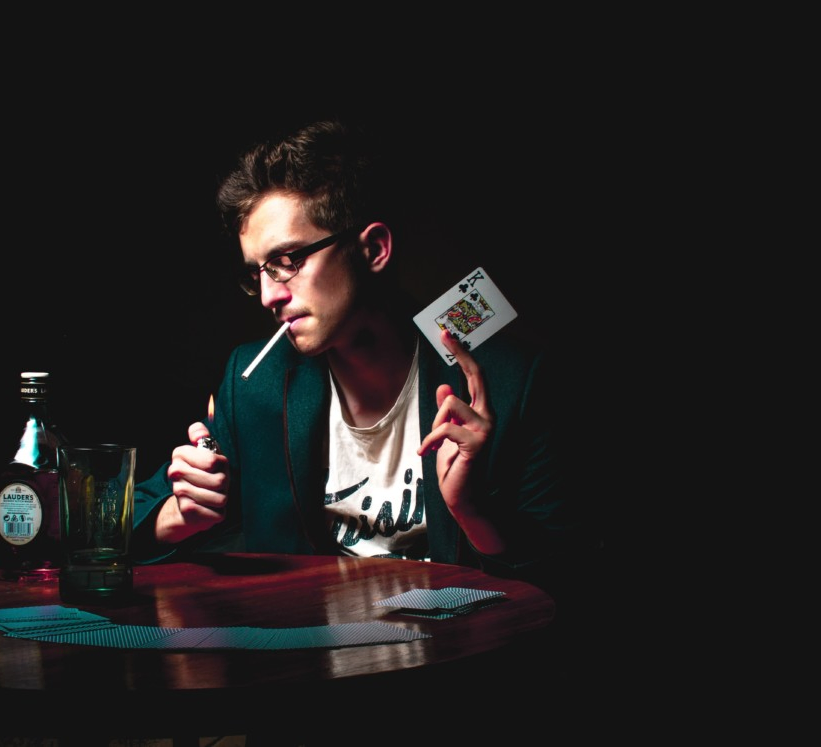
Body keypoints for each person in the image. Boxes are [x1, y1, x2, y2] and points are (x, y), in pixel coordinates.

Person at [132, 118, 596, 620]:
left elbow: (570, 579)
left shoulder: (511, 384)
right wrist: (177, 516)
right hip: (312, 655)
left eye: (287, 261)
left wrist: (474, 512)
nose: (268, 295)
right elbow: (123, 522)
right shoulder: (253, 383)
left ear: (373, 249)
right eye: (257, 273)